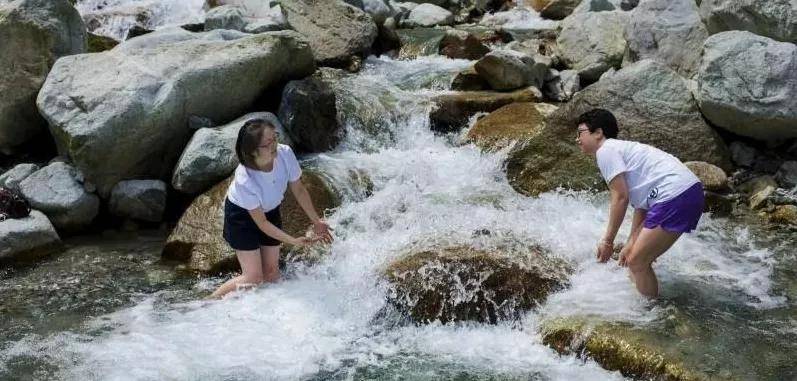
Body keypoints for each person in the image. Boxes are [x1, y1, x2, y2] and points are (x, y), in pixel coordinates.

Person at [574, 109, 704, 298]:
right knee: (631, 257)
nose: (577, 139)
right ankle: (643, 307)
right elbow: (641, 206)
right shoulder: (622, 150)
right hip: (687, 192)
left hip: (674, 194)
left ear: (598, 133)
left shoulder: (606, 150)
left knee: (637, 262)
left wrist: (608, 241)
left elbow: (620, 197)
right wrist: (629, 243)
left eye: (580, 133)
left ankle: (651, 317)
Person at [210, 118, 333, 299]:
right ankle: (207, 303)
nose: (275, 144)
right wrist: (292, 241)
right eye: (268, 143)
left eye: (275, 138)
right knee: (253, 277)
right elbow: (262, 223)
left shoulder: (285, 153)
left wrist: (317, 221)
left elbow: (298, 188)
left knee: (272, 273)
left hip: (270, 208)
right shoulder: (246, 180)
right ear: (252, 152)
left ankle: (274, 316)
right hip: (241, 216)